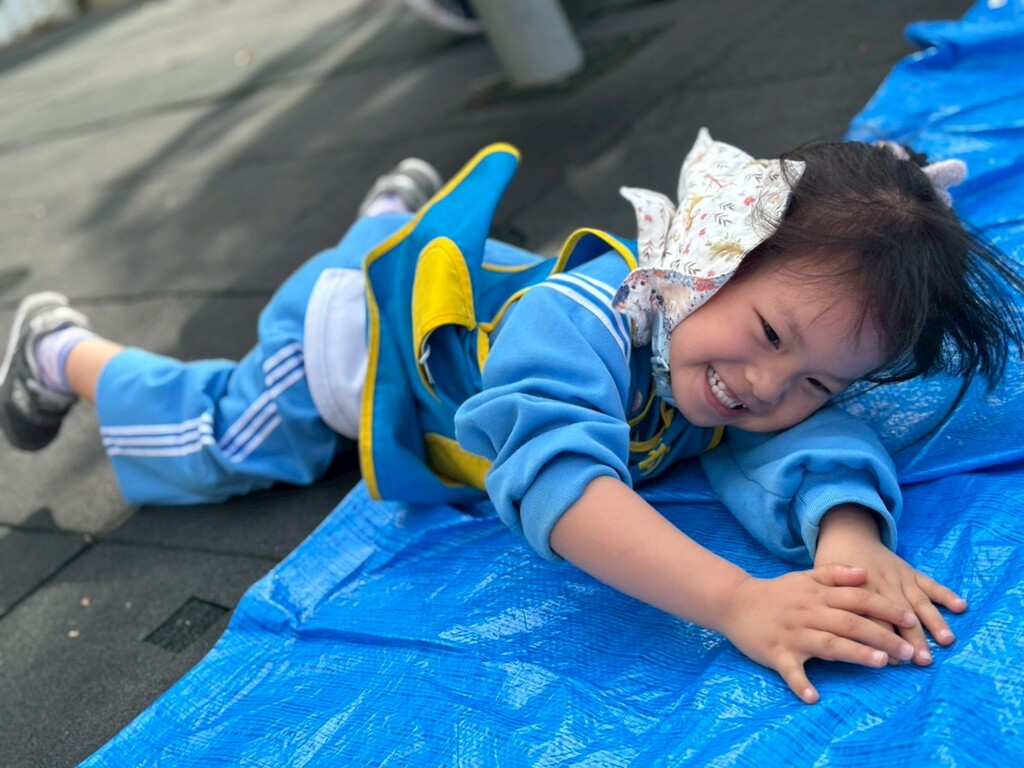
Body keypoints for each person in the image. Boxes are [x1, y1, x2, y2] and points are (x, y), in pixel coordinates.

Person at [2, 131, 1021, 704]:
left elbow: (806, 439)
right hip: (349, 341)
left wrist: (849, 539)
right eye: (766, 334)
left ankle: (390, 210)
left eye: (817, 380)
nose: (766, 386)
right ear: (706, 257)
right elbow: (557, 484)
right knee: (230, 437)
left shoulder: (723, 353)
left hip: (450, 278)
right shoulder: (575, 324)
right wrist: (736, 602)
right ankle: (60, 351)